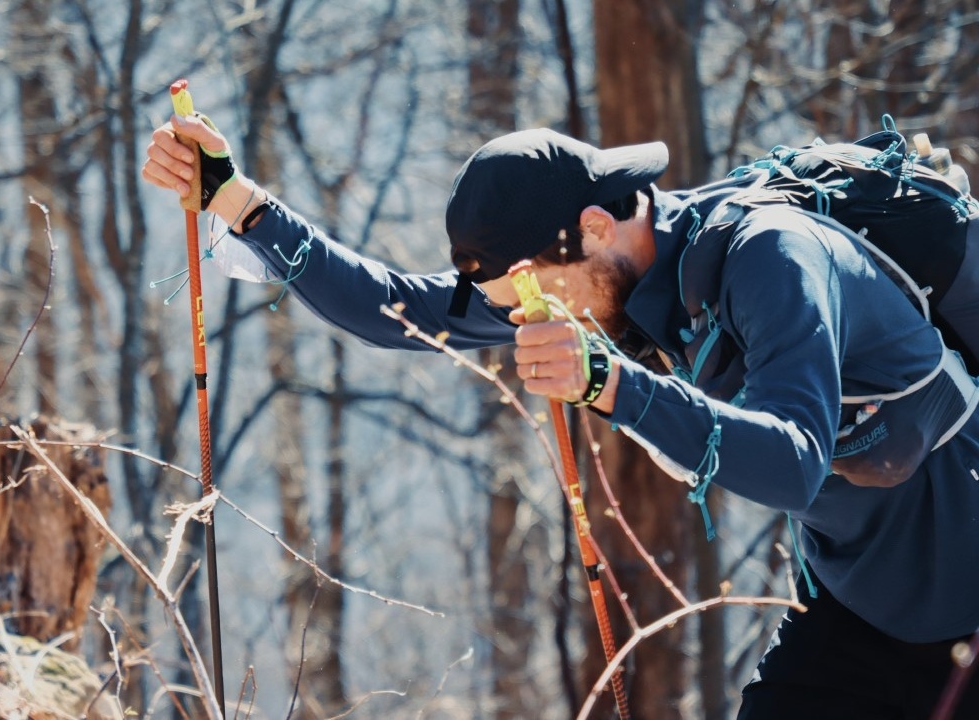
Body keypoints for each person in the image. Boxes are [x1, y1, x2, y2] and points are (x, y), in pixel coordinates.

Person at [143, 112, 979, 718]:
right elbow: (396, 308)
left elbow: (796, 459)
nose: (542, 318)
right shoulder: (600, 275)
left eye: (542, 293)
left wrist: (615, 387)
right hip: (866, 614)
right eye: (515, 305)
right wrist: (240, 204)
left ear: (591, 226)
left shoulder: (771, 257)